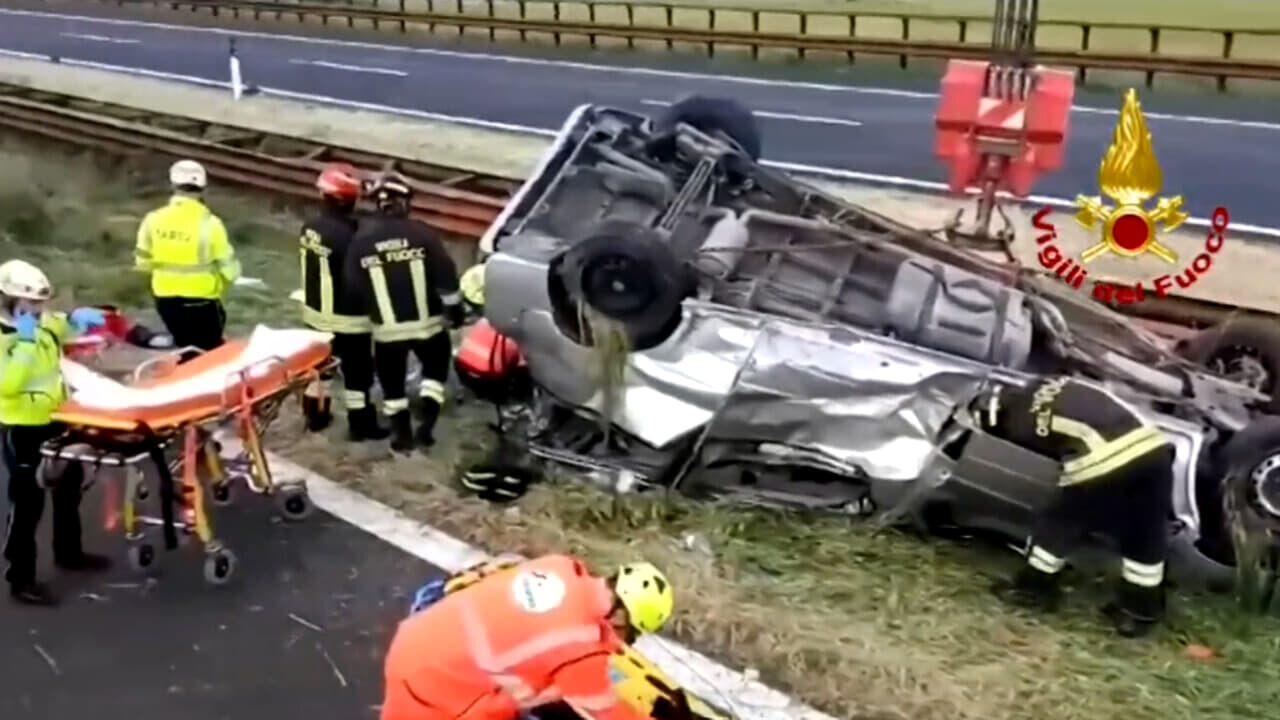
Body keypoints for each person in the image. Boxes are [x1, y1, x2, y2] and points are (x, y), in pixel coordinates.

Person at [972, 374, 1175, 637]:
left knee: (1059, 520)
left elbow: (1046, 459)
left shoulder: (1019, 423)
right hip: (1153, 447)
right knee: (1143, 530)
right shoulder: (1047, 381)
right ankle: (1140, 612)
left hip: (1105, 456)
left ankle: (1034, 591)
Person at [383, 553, 674, 720]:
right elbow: (606, 711)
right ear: (621, 616)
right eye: (629, 632)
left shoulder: (560, 566)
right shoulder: (579, 645)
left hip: (417, 638)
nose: (624, 639)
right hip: (439, 686)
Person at [0, 259, 111, 606]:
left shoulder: (41, 323)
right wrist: (27, 344)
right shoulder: (8, 339)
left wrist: (77, 318)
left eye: (39, 304)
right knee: (28, 504)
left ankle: (69, 552)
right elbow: (8, 384)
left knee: (69, 487)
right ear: (8, 301)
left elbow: (58, 324)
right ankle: (21, 578)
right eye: (30, 305)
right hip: (21, 428)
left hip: (57, 419)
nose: (37, 311)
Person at [344, 172, 463, 454]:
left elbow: (352, 286)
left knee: (391, 384)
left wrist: (371, 311)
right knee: (435, 372)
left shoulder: (361, 242)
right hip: (429, 326)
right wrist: (455, 311)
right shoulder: (423, 235)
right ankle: (427, 422)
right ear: (404, 203)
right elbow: (446, 278)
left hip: (387, 332)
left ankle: (400, 434)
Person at [298, 163, 388, 442]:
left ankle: (316, 417)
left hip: (314, 315)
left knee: (317, 371)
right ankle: (361, 426)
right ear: (350, 199)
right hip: (348, 320)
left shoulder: (309, 228)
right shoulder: (353, 237)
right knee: (357, 377)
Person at [134, 159, 241, 361]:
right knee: (210, 350)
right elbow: (229, 268)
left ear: (173, 186)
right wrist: (224, 282)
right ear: (202, 188)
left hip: (165, 298)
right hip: (202, 300)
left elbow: (142, 262)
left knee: (186, 347)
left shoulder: (153, 219)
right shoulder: (211, 224)